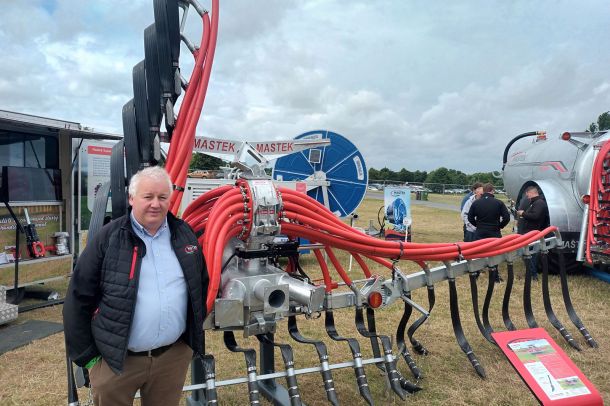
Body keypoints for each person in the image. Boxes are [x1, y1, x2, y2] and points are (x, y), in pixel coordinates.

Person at [63, 166, 209, 406]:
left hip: (171, 358)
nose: (155, 204)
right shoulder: (109, 238)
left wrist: (188, 342)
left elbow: (199, 285)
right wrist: (89, 359)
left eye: (162, 197)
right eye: (148, 196)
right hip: (116, 362)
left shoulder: (184, 234)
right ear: (132, 198)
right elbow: (78, 298)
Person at [468, 183, 511, 282]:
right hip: (494, 232)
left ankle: (476, 274)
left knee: (478, 253)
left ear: (483, 191)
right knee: (494, 254)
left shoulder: (476, 203)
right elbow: (507, 218)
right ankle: (494, 276)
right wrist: (500, 226)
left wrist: (478, 225)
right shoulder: (499, 203)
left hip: (480, 232)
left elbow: (470, 217)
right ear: (493, 191)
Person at [516, 185, 550, 281]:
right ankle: (530, 273)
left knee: (531, 254)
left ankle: (532, 275)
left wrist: (523, 213)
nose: (527, 196)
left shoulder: (539, 203)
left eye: (527, 194)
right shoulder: (536, 203)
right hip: (531, 232)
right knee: (529, 253)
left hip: (533, 233)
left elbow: (535, 216)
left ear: (531, 193)